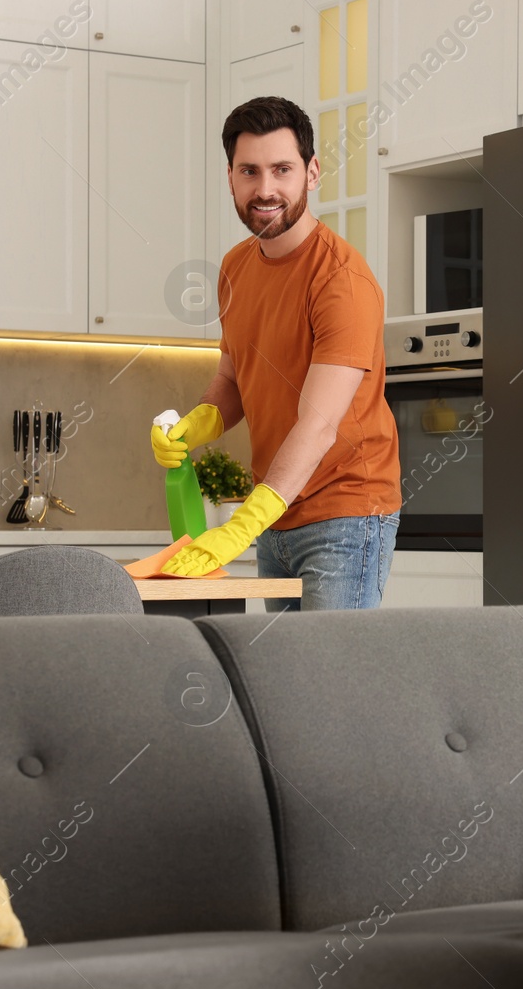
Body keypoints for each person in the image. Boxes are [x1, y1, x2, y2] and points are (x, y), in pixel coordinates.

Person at [153, 96, 401, 611]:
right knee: (280, 683)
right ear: (230, 178)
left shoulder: (341, 281)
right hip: (275, 516)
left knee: (324, 681)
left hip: (346, 512)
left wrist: (242, 524)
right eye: (250, 171)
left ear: (311, 173)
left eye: (282, 169)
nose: (265, 190)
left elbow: (317, 424)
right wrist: (196, 426)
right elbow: (233, 382)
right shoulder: (235, 268)